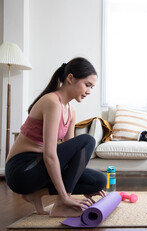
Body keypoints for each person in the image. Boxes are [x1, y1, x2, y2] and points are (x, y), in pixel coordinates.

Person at [5, 57, 107, 217]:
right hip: (22, 171)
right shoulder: (52, 102)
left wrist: (86, 183)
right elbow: (50, 155)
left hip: (39, 168)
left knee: (99, 180)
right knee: (88, 140)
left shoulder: (71, 110)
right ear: (71, 78)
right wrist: (66, 196)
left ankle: (36, 194)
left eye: (92, 87)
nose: (89, 91)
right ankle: (61, 204)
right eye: (87, 85)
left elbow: (72, 158)